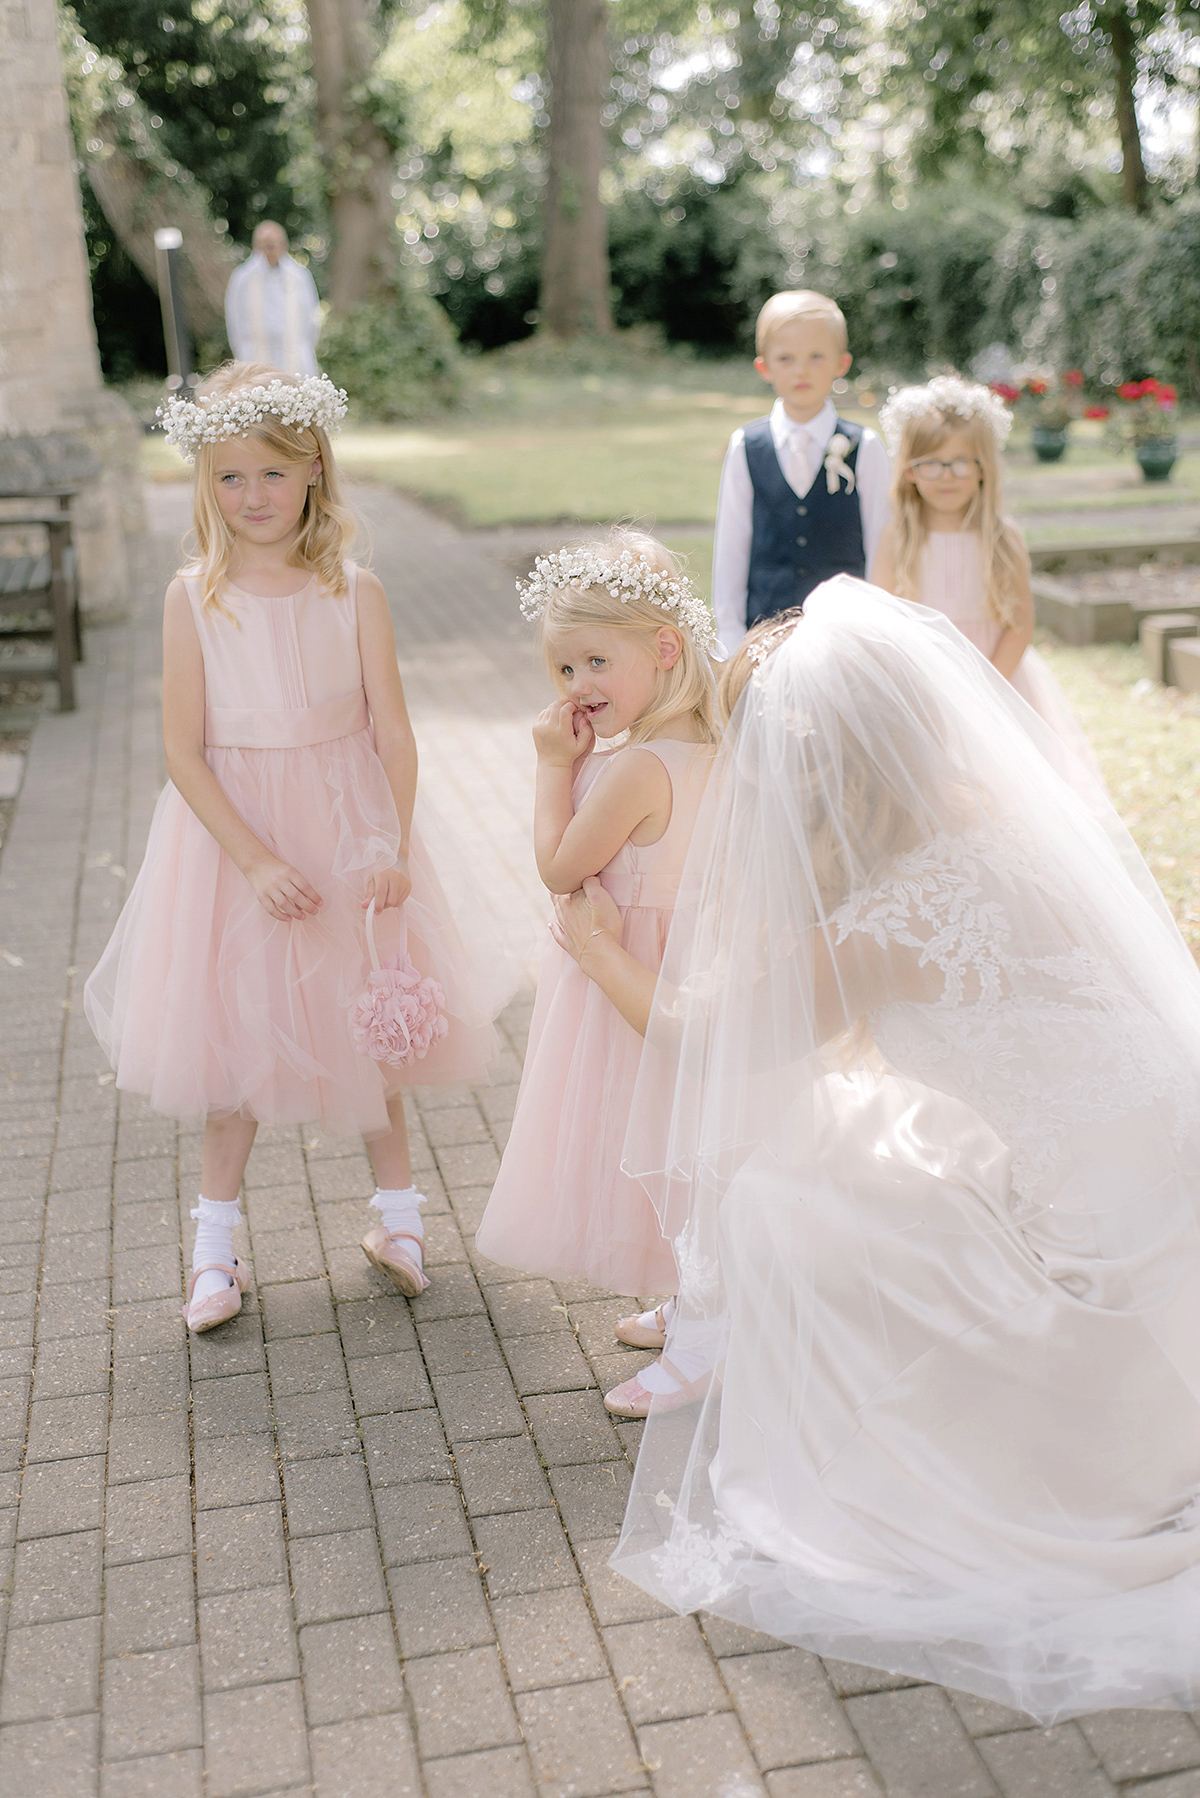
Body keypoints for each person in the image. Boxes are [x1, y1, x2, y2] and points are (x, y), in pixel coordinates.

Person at [551, 583, 1200, 1723]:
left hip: (1107, 1243)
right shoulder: (1017, 822)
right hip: (1174, 1151)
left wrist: (597, 949)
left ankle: (915, 1448)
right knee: (876, 1127)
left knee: (787, 1189)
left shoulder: (877, 926)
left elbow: (711, 1036)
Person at [85, 361, 516, 1332]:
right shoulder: (193, 597)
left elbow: (394, 732)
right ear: (207, 484)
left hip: (347, 830)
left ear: (316, 467)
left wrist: (390, 842)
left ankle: (399, 1223)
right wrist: (254, 858)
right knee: (235, 1048)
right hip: (239, 848)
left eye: (273, 475)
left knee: (367, 1029)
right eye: (231, 478)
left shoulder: (354, 589)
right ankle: (213, 1250)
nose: (253, 497)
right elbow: (180, 750)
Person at [474, 531, 720, 1414]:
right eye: (564, 669)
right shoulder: (716, 739)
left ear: (663, 648)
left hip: (633, 975)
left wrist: (552, 768)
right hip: (684, 964)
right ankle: (698, 1298)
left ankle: (707, 1341)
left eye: (593, 661)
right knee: (683, 1142)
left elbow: (560, 868)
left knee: (662, 1141)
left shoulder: (636, 768)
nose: (577, 688)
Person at [870, 375, 1101, 777]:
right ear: (909, 470)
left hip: (998, 682)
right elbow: (881, 626)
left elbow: (1020, 623)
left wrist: (986, 691)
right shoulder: (896, 541)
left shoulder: (1002, 538)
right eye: (931, 463)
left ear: (983, 468)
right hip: (924, 688)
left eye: (961, 462)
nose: (947, 475)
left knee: (1002, 787)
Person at [710, 290, 890, 658]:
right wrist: (729, 632)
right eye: (786, 358)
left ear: (841, 364)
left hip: (846, 636)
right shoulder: (747, 445)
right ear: (765, 367)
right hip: (765, 635)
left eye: (816, 356)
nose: (801, 370)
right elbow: (732, 546)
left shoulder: (864, 446)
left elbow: (882, 545)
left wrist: (877, 629)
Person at [224, 222, 322, 376]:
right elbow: (234, 321)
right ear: (256, 246)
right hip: (254, 356)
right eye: (265, 245)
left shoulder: (299, 276)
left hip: (294, 357)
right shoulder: (243, 278)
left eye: (274, 245)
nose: (270, 251)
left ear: (284, 246)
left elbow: (311, 319)